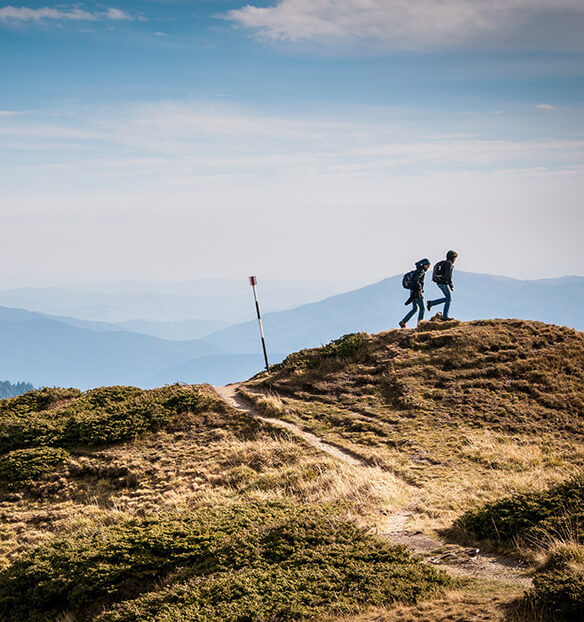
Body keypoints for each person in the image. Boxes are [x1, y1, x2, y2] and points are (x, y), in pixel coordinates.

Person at [399, 258, 430, 328]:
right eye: (427, 265)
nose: (428, 267)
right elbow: (417, 280)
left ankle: (403, 321)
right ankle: (420, 324)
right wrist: (420, 289)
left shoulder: (417, 271)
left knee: (414, 308)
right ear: (423, 265)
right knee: (422, 308)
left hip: (412, 291)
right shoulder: (421, 271)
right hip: (417, 292)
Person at [427, 250, 458, 319]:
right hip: (443, 283)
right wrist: (451, 286)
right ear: (452, 257)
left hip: (439, 282)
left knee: (448, 299)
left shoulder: (444, 263)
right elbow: (448, 276)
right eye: (455, 258)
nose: (455, 260)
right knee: (449, 299)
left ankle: (432, 303)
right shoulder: (449, 264)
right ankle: (445, 316)